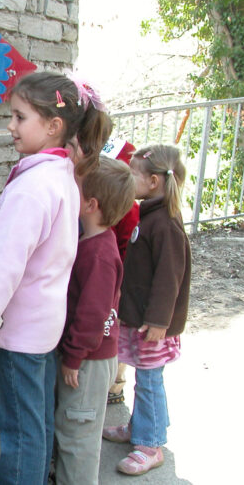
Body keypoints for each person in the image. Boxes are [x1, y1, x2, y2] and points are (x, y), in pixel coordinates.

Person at [0, 71, 112, 485]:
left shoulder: (34, 187)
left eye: (20, 117)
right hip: (42, 330)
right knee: (36, 429)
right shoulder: (61, 176)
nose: (10, 126)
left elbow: (2, 268)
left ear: (54, 125)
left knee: (22, 437)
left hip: (21, 334)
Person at [102, 144, 191, 476]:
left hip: (152, 324)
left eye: (134, 173)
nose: (130, 177)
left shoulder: (165, 225)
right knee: (145, 378)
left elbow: (170, 280)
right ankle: (140, 428)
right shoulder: (149, 215)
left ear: (154, 181)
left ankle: (151, 444)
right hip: (139, 319)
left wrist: (158, 322)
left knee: (150, 381)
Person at [54, 156, 136, 485]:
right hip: (87, 357)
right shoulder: (92, 242)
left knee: (78, 437)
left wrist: (73, 357)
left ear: (90, 204)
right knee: (70, 428)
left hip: (87, 361)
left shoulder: (100, 254)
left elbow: (92, 315)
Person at [101, 138, 141, 405]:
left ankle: (115, 383)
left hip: (120, 278)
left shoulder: (129, 210)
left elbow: (129, 249)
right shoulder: (124, 206)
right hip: (113, 273)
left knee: (117, 329)